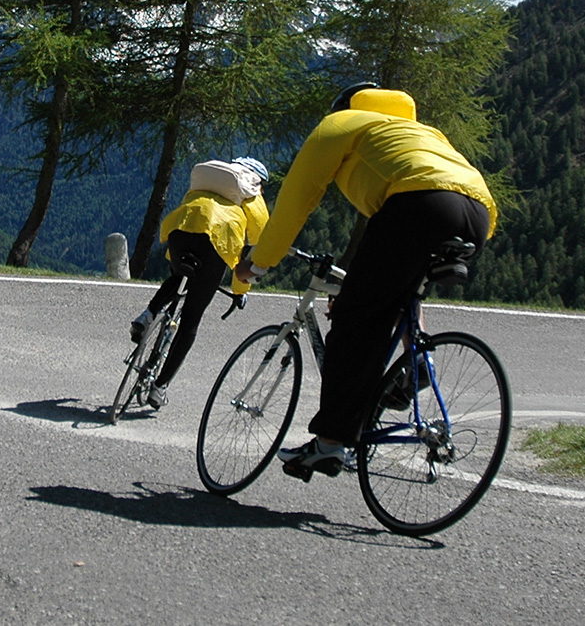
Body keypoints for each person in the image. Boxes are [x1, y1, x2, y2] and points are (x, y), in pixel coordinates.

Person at [233, 85, 498, 479]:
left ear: (344, 107)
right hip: (479, 215)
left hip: (417, 204)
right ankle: (419, 361)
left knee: (355, 324)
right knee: (397, 294)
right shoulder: (419, 132)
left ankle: (329, 445)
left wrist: (258, 263)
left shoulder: (341, 123)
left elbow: (297, 197)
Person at [130, 156, 270, 409]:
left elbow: (191, 209)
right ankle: (159, 388)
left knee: (177, 277)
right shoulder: (253, 194)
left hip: (180, 228)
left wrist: (177, 260)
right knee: (191, 321)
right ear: (259, 181)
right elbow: (254, 248)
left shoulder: (213, 177)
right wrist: (240, 292)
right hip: (216, 242)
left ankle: (148, 314)